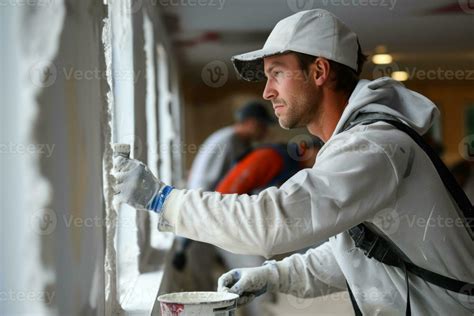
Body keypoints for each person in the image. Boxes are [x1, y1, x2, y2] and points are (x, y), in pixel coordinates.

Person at [113, 9, 474, 315]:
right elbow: (357, 253)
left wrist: (162, 199)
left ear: (318, 72)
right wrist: (274, 276)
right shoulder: (356, 145)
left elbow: (272, 221)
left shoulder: (372, 147)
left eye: (277, 73)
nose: (267, 91)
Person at [171, 100, 273, 291]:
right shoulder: (227, 141)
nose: (265, 132)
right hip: (198, 221)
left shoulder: (240, 143)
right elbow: (201, 186)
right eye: (263, 126)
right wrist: (187, 237)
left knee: (250, 272)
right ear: (251, 123)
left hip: (213, 218)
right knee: (204, 289)